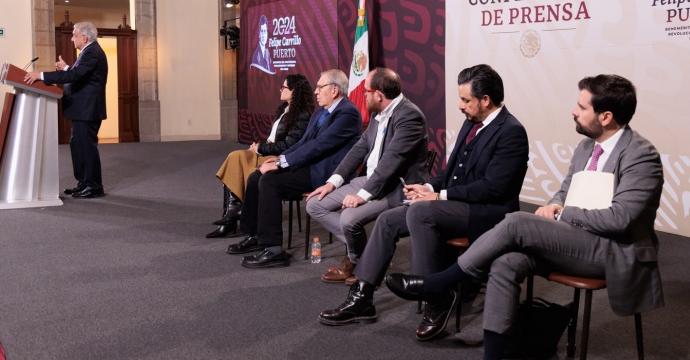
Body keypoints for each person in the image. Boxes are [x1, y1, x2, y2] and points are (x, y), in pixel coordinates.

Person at [386, 74, 665, 360]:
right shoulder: (587, 146)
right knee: (506, 261)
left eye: (581, 106)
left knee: (518, 222)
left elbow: (620, 219)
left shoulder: (641, 156)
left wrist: (561, 213)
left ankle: (442, 282)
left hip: (613, 251)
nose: (574, 111)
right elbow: (565, 192)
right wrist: (556, 205)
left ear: (605, 117)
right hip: (575, 240)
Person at [318, 64, 529, 338]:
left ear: (485, 100)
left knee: (421, 212)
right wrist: (427, 186)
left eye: (465, 100)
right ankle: (362, 297)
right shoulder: (471, 123)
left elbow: (494, 188)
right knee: (387, 220)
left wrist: (438, 196)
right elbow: (452, 174)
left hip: (488, 212)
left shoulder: (511, 131)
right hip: (456, 206)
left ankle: (434, 297)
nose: (460, 106)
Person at [226, 69, 362, 268]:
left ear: (334, 90)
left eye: (320, 87)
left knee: (270, 182)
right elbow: (303, 143)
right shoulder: (320, 112)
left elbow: (319, 146)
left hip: (325, 173)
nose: (315, 91)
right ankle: (256, 235)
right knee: (257, 176)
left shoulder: (347, 113)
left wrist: (282, 164)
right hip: (309, 165)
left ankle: (274, 250)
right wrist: (278, 160)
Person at [305, 67, 428, 283]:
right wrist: (332, 183)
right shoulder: (377, 112)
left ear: (378, 95)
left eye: (366, 91)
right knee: (315, 204)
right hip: (370, 180)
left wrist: (362, 195)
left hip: (396, 187)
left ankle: (357, 260)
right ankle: (370, 254)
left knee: (349, 218)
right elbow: (359, 148)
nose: (364, 95)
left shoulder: (409, 116)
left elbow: (391, 161)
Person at [207, 74, 314, 238]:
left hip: (278, 156)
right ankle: (231, 214)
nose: (281, 89)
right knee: (235, 157)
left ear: (295, 91)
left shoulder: (302, 115)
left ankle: (232, 218)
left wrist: (261, 149)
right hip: (268, 150)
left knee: (241, 161)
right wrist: (258, 147)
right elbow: (273, 138)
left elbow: (289, 145)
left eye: (284, 87)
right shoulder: (283, 110)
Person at [24, 21, 108, 199]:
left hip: (87, 110)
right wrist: (67, 68)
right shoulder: (88, 52)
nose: (72, 39)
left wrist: (41, 75)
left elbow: (76, 76)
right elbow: (80, 74)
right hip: (81, 109)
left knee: (86, 147)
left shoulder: (93, 52)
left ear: (84, 37)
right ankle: (83, 183)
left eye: (74, 36)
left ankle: (94, 186)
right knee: (78, 147)